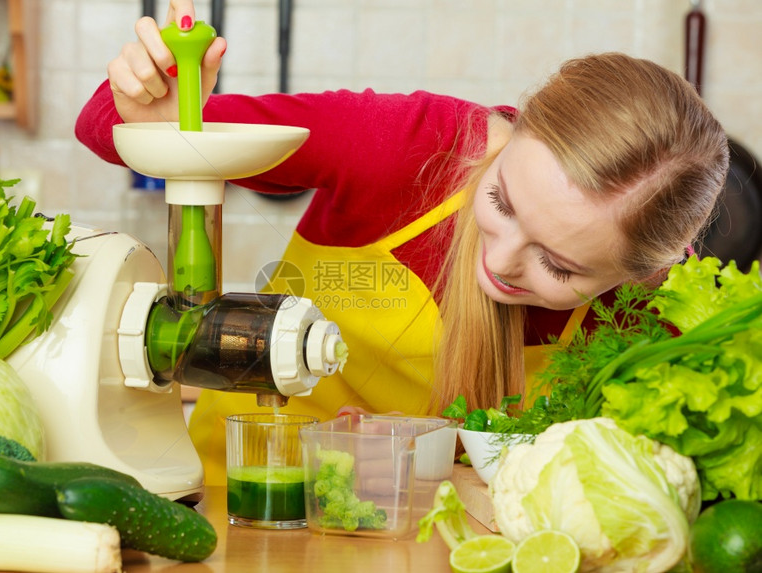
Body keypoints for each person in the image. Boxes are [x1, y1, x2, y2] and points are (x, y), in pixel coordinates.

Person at [75, 1, 729, 485]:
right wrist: (149, 110)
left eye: (558, 265)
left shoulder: (665, 312)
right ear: (515, 134)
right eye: (500, 200)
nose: (500, 262)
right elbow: (101, 124)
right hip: (238, 511)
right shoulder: (410, 145)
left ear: (642, 272)